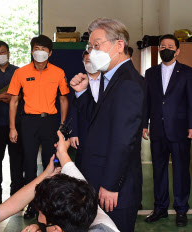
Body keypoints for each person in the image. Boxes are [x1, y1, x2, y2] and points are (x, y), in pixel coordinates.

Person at [70, 18, 145, 232]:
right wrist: (83, 93)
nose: (92, 52)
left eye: (97, 45)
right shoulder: (109, 78)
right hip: (98, 178)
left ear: (119, 45)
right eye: (90, 47)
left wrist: (112, 185)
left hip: (114, 189)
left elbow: (124, 140)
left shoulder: (128, 82)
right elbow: (99, 119)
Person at [8, 35, 69, 218]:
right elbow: (13, 101)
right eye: (36, 48)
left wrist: (63, 125)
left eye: (43, 49)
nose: (39, 52)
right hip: (28, 122)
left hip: (49, 122)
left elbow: (64, 99)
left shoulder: (58, 72)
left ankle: (50, 203)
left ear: (50, 52)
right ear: (31, 50)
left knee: (52, 163)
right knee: (29, 164)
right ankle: (32, 205)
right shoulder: (21, 72)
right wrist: (12, 127)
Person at [22, 131, 119, 232]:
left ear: (56, 229)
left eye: (42, 224)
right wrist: (62, 153)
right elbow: (76, 177)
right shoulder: (99, 220)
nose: (39, 224)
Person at [143, 34, 192, 227]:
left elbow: (190, 102)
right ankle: (160, 208)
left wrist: (191, 125)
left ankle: (181, 209)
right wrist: (143, 125)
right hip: (157, 130)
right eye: (162, 46)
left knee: (181, 171)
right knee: (159, 170)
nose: (165, 49)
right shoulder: (150, 73)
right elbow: (147, 101)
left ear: (177, 51)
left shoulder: (187, 73)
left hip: (179, 130)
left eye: (170, 46)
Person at [0, 40, 24, 206]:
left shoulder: (19, 72)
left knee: (17, 161)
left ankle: (16, 194)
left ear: (8, 53)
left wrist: (16, 98)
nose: (0, 55)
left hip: (16, 124)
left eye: (2, 52)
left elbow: (26, 94)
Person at [69, 50, 104, 170]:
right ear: (83, 62)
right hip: (84, 130)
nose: (91, 64)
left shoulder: (109, 82)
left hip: (103, 132)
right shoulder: (77, 82)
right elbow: (72, 110)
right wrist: (73, 133)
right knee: (82, 165)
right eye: (88, 61)